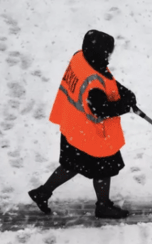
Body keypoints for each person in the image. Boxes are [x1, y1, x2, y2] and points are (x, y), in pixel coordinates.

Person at [28, 30, 137, 219]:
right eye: (107, 53)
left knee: (72, 164)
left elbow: (103, 79)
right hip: (92, 134)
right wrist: (124, 105)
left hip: (74, 127)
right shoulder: (93, 82)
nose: (109, 56)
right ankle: (103, 206)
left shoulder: (81, 58)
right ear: (100, 53)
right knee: (103, 168)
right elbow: (101, 109)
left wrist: (122, 91)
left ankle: (43, 192)